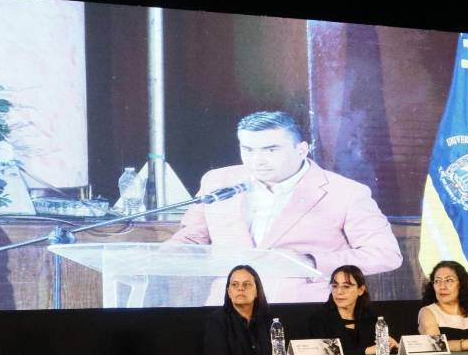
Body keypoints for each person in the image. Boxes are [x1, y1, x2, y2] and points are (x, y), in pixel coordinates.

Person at [168, 110, 402, 304]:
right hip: (226, 310)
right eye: (248, 150)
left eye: (271, 150)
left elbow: (385, 255)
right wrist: (162, 254)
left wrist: (310, 261)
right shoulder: (217, 181)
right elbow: (191, 238)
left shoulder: (346, 193)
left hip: (303, 313)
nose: (257, 160)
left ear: (301, 150)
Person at [306, 265, 397, 355]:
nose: (339, 292)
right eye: (335, 286)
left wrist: (391, 345)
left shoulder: (370, 317)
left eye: (346, 286)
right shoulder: (320, 318)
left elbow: (379, 348)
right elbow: (326, 352)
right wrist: (365, 351)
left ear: (361, 290)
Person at [203, 264, 273, 355]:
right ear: (229, 292)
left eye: (246, 284)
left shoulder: (268, 320)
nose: (240, 288)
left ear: (257, 291)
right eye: (235, 284)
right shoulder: (217, 321)